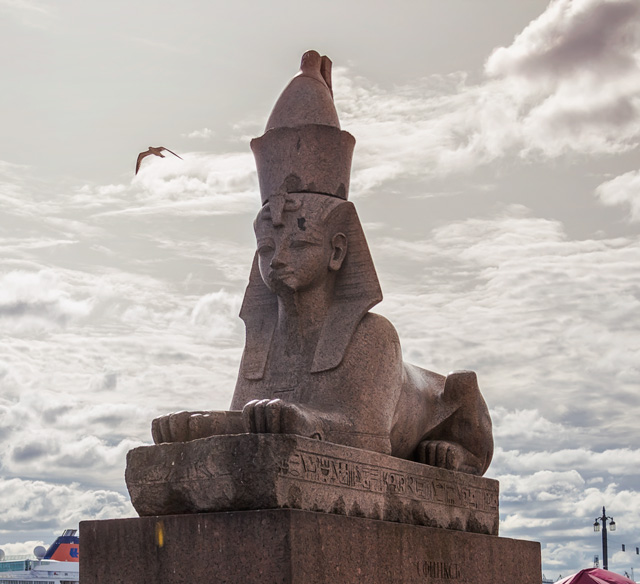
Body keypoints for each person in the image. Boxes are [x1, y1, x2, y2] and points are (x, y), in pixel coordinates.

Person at [151, 50, 493, 476]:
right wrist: (202, 425)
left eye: (298, 244)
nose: (278, 260)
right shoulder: (264, 341)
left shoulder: (375, 337)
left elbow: (368, 436)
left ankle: (468, 453)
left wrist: (303, 420)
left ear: (337, 252)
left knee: (460, 384)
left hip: (435, 416)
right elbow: (253, 421)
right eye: (266, 249)